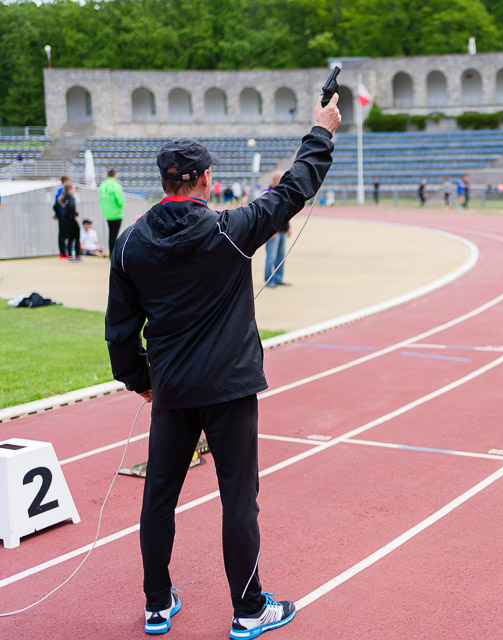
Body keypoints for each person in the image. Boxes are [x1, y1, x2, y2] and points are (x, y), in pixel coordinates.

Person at [105, 92, 340, 638]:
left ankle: (157, 605)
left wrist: (142, 380)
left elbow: (120, 330)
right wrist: (321, 131)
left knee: (159, 498)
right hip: (229, 388)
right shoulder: (229, 231)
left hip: (171, 389)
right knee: (238, 498)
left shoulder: (130, 244)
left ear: (165, 182)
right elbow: (293, 190)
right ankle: (248, 608)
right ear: (206, 179)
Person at [262, 172, 291, 288]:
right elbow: (264, 215)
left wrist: (289, 227)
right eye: (280, 179)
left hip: (283, 230)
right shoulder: (266, 194)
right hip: (273, 232)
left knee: (281, 256)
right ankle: (269, 279)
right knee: (271, 256)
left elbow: (287, 212)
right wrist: (268, 230)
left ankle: (279, 278)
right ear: (274, 180)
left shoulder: (284, 192)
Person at [99, 168, 126, 256]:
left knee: (111, 234)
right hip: (116, 213)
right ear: (115, 175)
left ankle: (111, 254)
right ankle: (113, 255)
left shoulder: (103, 185)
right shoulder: (116, 185)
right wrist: (121, 205)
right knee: (114, 235)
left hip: (107, 213)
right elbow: (120, 200)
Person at [58, 183, 81, 261]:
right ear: (70, 189)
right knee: (77, 237)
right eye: (73, 188)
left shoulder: (62, 198)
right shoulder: (71, 198)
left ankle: (70, 256)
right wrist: (74, 215)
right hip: (71, 220)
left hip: (65, 221)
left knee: (70, 239)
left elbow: (55, 207)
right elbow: (71, 206)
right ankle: (77, 255)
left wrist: (59, 215)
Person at [54, 176, 72, 258]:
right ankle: (65, 252)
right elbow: (59, 204)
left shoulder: (58, 191)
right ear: (65, 182)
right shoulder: (63, 191)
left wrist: (56, 214)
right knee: (65, 234)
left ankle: (63, 252)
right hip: (65, 217)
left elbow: (56, 204)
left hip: (61, 216)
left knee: (62, 234)